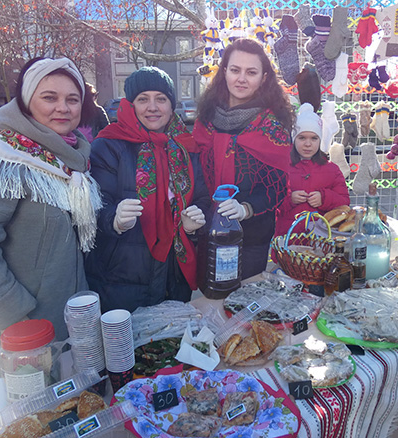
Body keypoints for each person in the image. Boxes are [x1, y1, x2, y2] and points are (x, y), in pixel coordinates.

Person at [0, 57, 102, 390]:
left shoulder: (67, 159)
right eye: (49, 97)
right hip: (5, 331)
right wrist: (16, 319)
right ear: (27, 100)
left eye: (72, 99)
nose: (63, 107)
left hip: (53, 326)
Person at [85, 67, 210, 313]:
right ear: (130, 105)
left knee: (171, 343)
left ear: (171, 106)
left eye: (161, 99)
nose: (152, 107)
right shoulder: (108, 146)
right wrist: (115, 219)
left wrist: (195, 221)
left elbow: (203, 197)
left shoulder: (185, 147)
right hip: (121, 278)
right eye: (143, 99)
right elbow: (93, 208)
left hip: (174, 277)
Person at [193, 38, 293, 279]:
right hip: (206, 227)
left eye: (251, 72)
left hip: (252, 236)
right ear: (224, 71)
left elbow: (279, 185)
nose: (241, 79)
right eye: (235, 70)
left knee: (242, 306)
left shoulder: (273, 126)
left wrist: (246, 208)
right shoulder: (206, 118)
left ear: (264, 77)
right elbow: (194, 172)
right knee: (208, 300)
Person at [275, 103, 349, 236]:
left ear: (320, 140)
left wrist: (324, 198)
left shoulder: (332, 170)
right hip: (288, 237)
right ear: (294, 139)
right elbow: (269, 204)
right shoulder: (281, 168)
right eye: (302, 138)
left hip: (322, 239)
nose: (308, 144)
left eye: (314, 138)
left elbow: (344, 204)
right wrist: (289, 199)